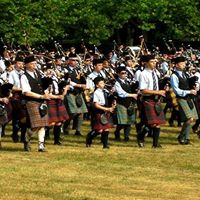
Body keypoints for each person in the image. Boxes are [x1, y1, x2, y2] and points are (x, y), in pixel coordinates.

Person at [20, 55, 50, 152]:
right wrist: (41, 96)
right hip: (31, 101)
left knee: (43, 124)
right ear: (26, 65)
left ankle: (41, 145)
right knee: (35, 125)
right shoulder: (24, 76)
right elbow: (26, 92)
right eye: (32, 64)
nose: (35, 65)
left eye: (35, 63)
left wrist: (46, 93)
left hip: (42, 101)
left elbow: (42, 87)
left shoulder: (38, 73)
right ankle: (27, 138)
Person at [137, 55, 166, 148]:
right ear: (146, 63)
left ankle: (155, 144)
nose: (154, 63)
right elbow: (143, 90)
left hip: (156, 99)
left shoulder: (155, 73)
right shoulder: (143, 74)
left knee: (157, 123)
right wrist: (158, 92)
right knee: (152, 123)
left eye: (155, 61)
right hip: (148, 99)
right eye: (152, 61)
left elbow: (156, 85)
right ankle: (141, 136)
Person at [170, 56, 198, 144]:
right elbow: (176, 90)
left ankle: (185, 138)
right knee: (189, 118)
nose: (184, 65)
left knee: (192, 119)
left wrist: (194, 85)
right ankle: (182, 137)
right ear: (176, 65)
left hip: (188, 97)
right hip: (181, 98)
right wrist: (189, 91)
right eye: (182, 64)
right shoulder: (174, 76)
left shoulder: (185, 74)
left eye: (184, 63)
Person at [86, 76, 115, 148]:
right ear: (97, 85)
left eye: (103, 83)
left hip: (105, 110)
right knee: (99, 130)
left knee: (106, 128)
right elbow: (96, 105)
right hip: (99, 111)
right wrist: (106, 109)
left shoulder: (105, 91)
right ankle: (89, 138)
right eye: (101, 83)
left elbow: (108, 99)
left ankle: (105, 145)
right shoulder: (96, 92)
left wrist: (112, 97)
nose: (103, 84)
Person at [114, 66, 137, 142]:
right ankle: (117, 132)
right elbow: (121, 94)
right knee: (122, 122)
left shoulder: (128, 81)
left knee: (129, 121)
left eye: (125, 73)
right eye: (122, 73)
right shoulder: (117, 83)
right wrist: (132, 95)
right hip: (121, 103)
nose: (125, 75)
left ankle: (126, 137)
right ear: (118, 74)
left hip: (130, 103)